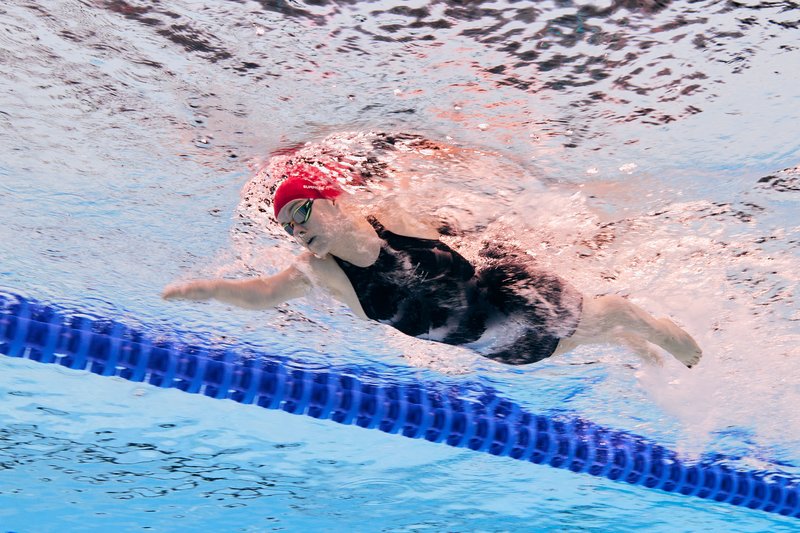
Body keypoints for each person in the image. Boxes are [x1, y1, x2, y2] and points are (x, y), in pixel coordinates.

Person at [163, 160, 703, 368]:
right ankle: (619, 337)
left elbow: (466, 210)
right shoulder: (321, 273)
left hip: (510, 295)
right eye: (287, 226)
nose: (296, 230)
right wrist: (212, 290)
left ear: (329, 198)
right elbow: (262, 294)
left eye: (299, 212)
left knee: (617, 314)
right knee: (578, 337)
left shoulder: (393, 214)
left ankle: (692, 356)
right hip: (496, 347)